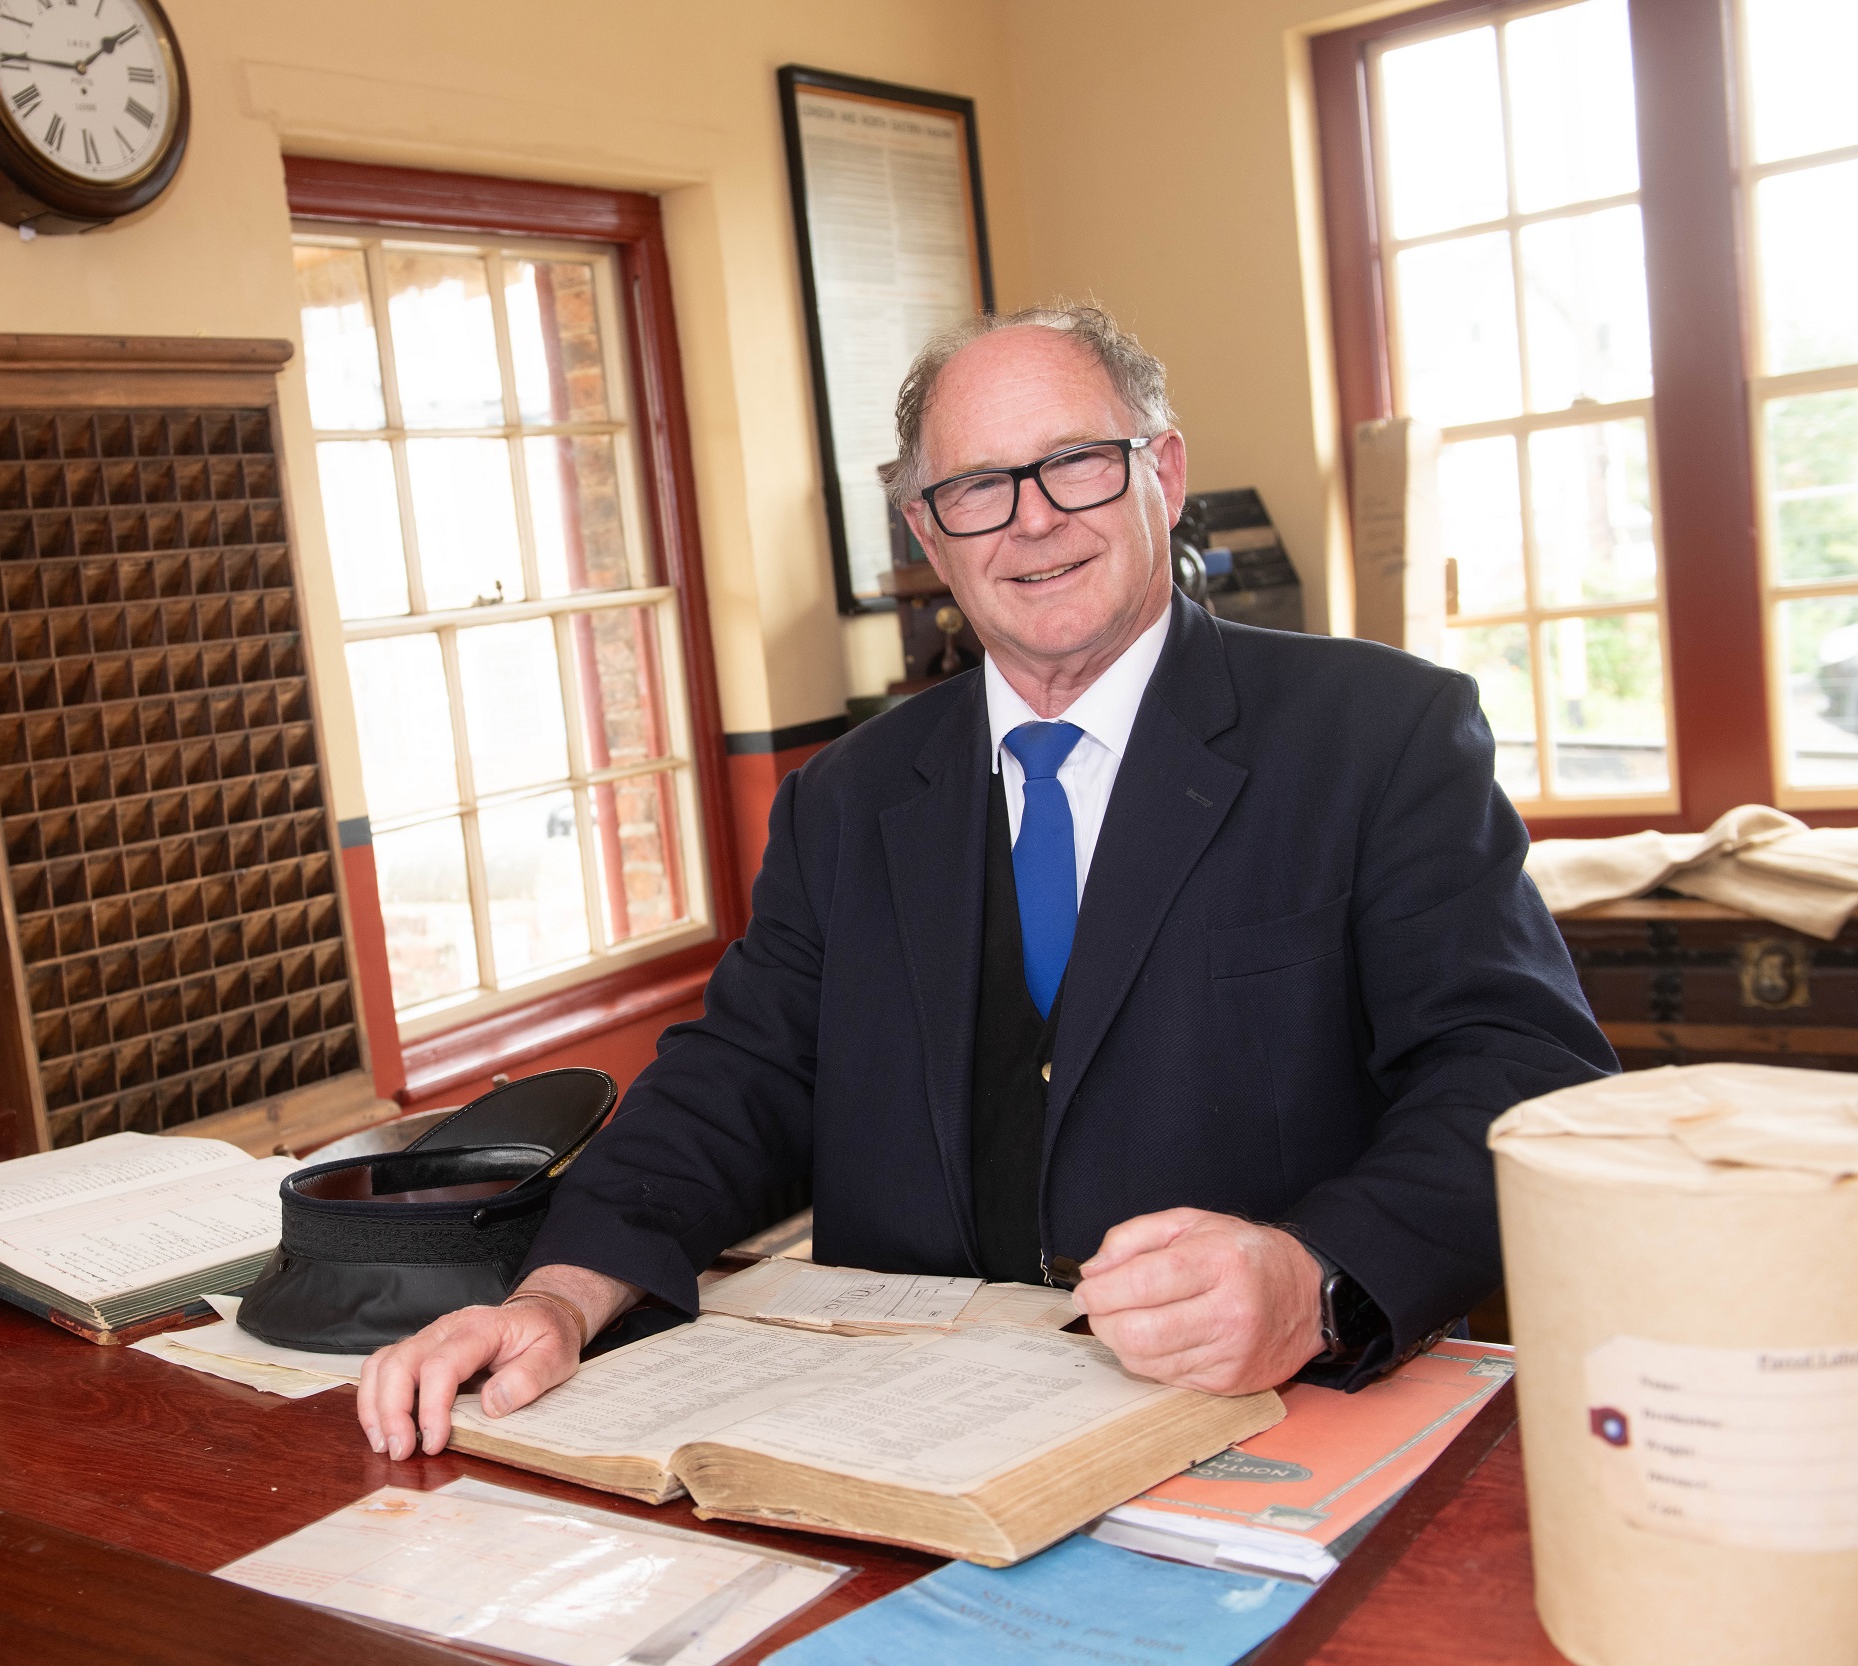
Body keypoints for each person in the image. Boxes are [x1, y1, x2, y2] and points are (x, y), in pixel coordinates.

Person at [356, 302, 1615, 1461]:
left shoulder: (1376, 736)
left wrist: (1314, 1272)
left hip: (1265, 1418)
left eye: (1074, 462)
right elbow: (742, 1079)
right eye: (973, 487)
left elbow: (1522, 1073)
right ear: (926, 534)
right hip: (903, 1445)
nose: (1030, 518)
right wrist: (559, 1296)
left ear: (1159, 476)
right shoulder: (847, 797)